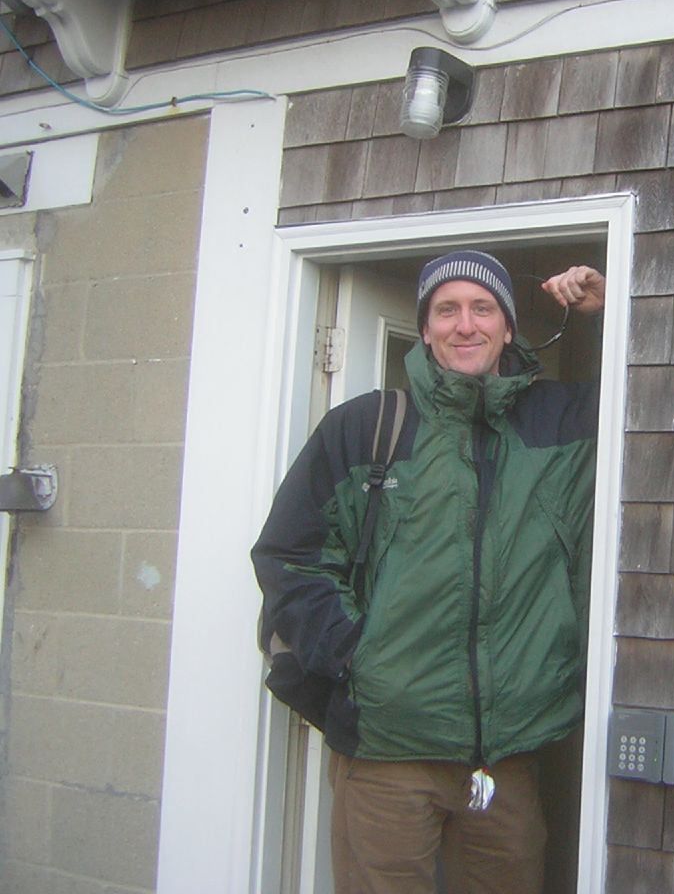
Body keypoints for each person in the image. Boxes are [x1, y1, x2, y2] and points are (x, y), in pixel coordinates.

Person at [252, 250, 606, 894]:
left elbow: (649, 407)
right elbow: (290, 555)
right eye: (447, 310)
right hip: (388, 751)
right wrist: (360, 657)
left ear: (508, 326)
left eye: (482, 308)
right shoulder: (366, 427)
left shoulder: (561, 424)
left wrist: (607, 315)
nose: (464, 324)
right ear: (425, 327)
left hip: (507, 762)